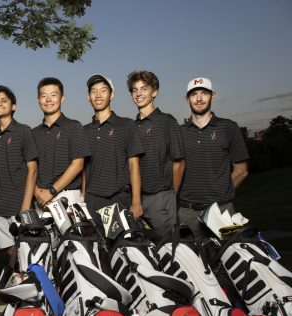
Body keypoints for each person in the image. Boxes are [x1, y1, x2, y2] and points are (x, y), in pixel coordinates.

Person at [178, 77, 249, 240]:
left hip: (222, 210)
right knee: (189, 262)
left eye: (204, 93)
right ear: (186, 99)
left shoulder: (228, 127)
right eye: (194, 94)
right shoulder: (179, 132)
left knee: (229, 260)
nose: (199, 98)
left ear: (213, 96)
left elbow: (241, 170)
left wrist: (222, 195)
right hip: (187, 212)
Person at [127, 71, 184, 243]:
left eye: (144, 89)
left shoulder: (167, 122)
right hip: (136, 199)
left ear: (154, 92)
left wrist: (170, 195)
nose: (139, 94)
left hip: (160, 197)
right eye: (134, 90)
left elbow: (179, 163)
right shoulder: (132, 126)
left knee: (167, 250)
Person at [83, 74, 144, 218]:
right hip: (92, 201)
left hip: (119, 199)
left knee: (122, 241)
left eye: (103, 90)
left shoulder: (127, 125)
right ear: (88, 97)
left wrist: (136, 202)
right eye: (93, 91)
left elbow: (134, 165)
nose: (98, 95)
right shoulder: (84, 131)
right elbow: (84, 170)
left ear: (112, 95)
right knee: (95, 241)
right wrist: (84, 199)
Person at [0, 85, 38, 258]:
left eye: (4, 101)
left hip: (21, 206)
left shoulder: (24, 131)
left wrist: (25, 207)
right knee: (10, 253)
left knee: (28, 252)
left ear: (13, 106)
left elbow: (32, 170)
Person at [32, 77, 89, 211]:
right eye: (44, 96)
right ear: (38, 100)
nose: (48, 100)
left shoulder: (73, 126)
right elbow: (30, 168)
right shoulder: (33, 133)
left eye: (53, 95)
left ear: (62, 98)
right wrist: (37, 193)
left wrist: (51, 192)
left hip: (67, 196)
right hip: (40, 199)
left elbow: (78, 164)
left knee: (72, 233)